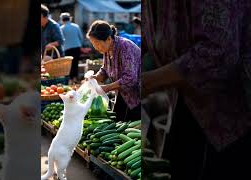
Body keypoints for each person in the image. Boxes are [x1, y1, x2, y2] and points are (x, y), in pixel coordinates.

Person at [143, 0, 251, 179]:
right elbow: (154, 37)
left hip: (232, 115)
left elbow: (217, 53)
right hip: (187, 103)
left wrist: (147, 82)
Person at [87, 20, 141, 122]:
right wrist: (96, 77)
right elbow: (105, 69)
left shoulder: (125, 47)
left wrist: (107, 88)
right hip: (121, 94)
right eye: (93, 44)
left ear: (108, 39)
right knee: (118, 123)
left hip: (136, 97)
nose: (95, 47)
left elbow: (130, 79)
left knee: (131, 128)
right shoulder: (107, 49)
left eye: (97, 43)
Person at [60, 12, 84, 83]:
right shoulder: (76, 26)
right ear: (69, 18)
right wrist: (80, 45)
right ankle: (75, 78)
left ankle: (70, 79)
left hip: (67, 49)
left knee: (69, 65)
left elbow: (61, 40)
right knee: (75, 63)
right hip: (77, 47)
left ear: (62, 19)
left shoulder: (61, 28)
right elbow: (81, 37)